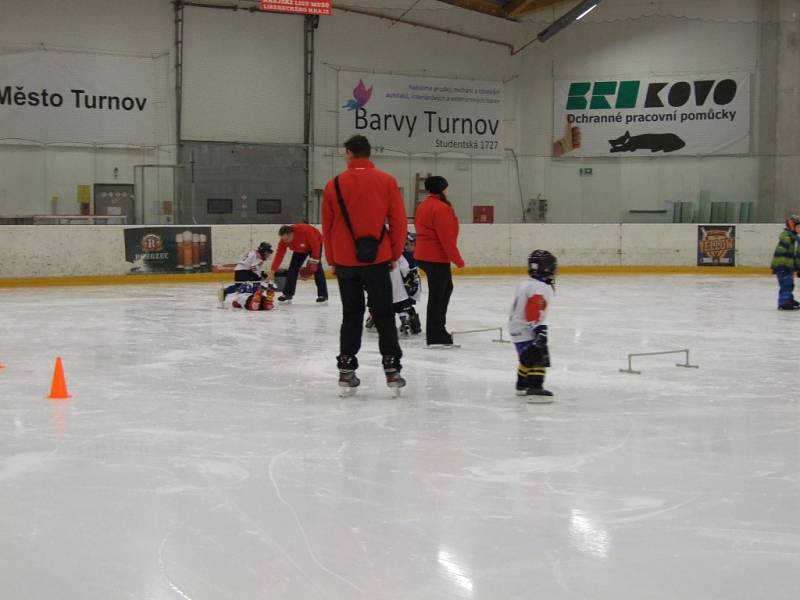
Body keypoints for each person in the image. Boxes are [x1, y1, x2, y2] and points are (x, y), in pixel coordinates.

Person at [322, 134, 408, 394]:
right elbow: (399, 221)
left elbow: (327, 226)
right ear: (369, 154)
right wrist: (393, 254)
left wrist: (332, 259)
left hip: (346, 260)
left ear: (349, 153)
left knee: (351, 314)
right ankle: (392, 369)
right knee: (384, 313)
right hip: (378, 258)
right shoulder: (387, 181)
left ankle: (346, 370)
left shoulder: (334, 184)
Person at [414, 176, 465, 347]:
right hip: (435, 256)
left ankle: (437, 329)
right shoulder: (441, 208)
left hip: (424, 254)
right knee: (438, 295)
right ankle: (436, 334)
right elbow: (446, 238)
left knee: (445, 290)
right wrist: (457, 259)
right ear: (442, 189)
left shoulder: (423, 205)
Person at [509, 250, 557, 402]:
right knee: (539, 357)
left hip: (516, 327)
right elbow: (533, 309)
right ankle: (535, 388)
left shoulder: (526, 284)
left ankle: (522, 384)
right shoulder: (541, 287)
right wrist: (538, 329)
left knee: (527, 358)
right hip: (528, 327)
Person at [268, 224, 327, 304]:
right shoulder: (284, 241)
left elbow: (315, 247)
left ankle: (323, 295)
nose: (285, 241)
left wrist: (311, 269)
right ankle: (287, 294)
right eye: (283, 239)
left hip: (315, 244)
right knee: (292, 269)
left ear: (292, 234)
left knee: (318, 269)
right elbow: (279, 255)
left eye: (286, 239)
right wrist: (272, 271)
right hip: (299, 249)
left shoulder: (306, 232)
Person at [771, 214, 800, 310]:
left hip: (788, 266)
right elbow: (783, 253)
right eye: (799, 227)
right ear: (792, 227)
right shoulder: (787, 236)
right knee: (786, 284)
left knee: (789, 283)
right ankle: (783, 302)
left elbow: (796, 256)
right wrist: (782, 266)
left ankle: (789, 299)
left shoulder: (794, 238)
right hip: (783, 266)